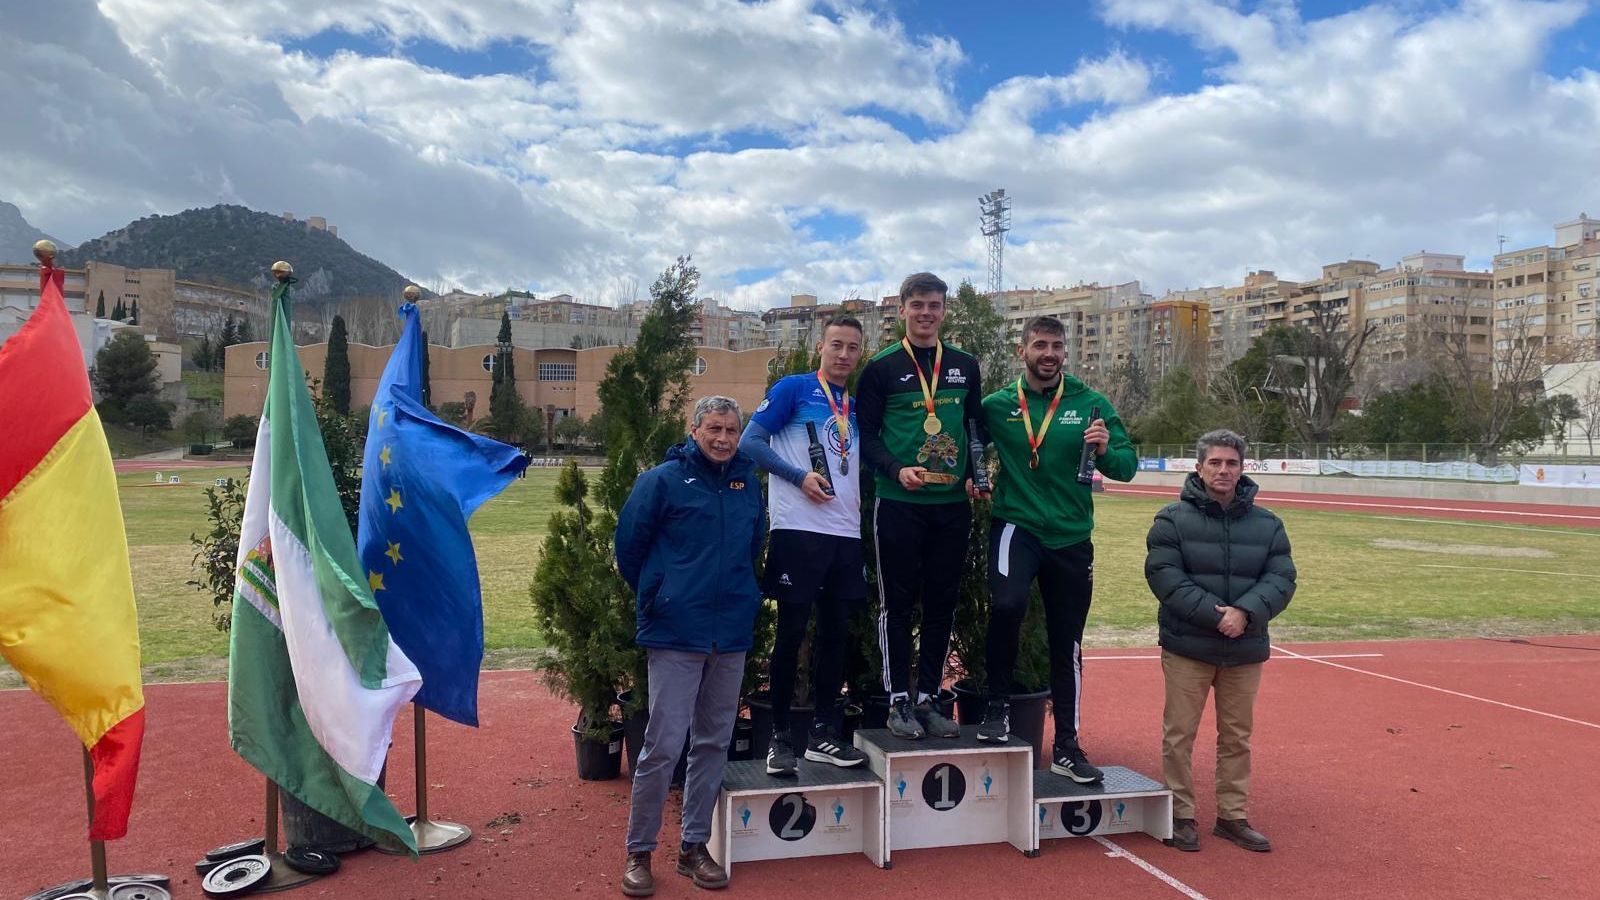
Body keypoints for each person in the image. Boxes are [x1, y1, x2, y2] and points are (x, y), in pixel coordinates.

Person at [969, 316, 1136, 783]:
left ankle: (1066, 744)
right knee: (1007, 604)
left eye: (1056, 346)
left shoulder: (1091, 404)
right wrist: (969, 471)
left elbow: (1128, 466)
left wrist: (1105, 450)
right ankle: (996, 709)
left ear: (1065, 353)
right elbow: (970, 440)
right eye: (1039, 344)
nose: (1049, 353)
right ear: (1022, 351)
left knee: (1068, 642)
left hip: (1071, 537)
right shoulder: (999, 404)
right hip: (1015, 527)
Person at [614, 396, 766, 896]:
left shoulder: (748, 482)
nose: (723, 439)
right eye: (714, 429)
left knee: (713, 742)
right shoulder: (661, 480)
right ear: (694, 429)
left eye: (731, 430)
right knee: (662, 745)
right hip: (677, 631)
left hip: (731, 632)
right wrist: (663, 594)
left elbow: (753, 546)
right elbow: (629, 549)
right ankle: (639, 852)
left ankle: (693, 846)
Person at [1144, 429, 1296, 853]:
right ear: (1198, 468)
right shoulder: (1171, 519)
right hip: (1189, 646)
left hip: (1244, 647)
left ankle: (1232, 816)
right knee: (1179, 735)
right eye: (1215, 462)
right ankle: (1180, 814)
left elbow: (1282, 578)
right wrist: (1220, 616)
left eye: (1231, 463)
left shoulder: (1268, 525)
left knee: (1237, 737)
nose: (1224, 470)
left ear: (1243, 469)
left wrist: (1245, 612)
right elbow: (1166, 578)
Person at [740, 315, 870, 774]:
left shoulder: (858, 402)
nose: (844, 354)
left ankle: (822, 734)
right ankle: (779, 738)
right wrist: (798, 477)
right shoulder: (793, 389)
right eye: (836, 345)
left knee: (836, 635)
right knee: (792, 633)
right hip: (798, 529)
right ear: (820, 346)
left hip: (845, 533)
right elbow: (750, 442)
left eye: (853, 347)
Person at [856, 272, 984, 739]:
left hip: (951, 504)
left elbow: (974, 428)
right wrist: (894, 469)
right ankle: (897, 701)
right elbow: (865, 437)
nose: (926, 313)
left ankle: (929, 697)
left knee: (942, 601)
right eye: (918, 305)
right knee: (898, 603)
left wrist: (975, 472)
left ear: (944, 310)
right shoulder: (881, 367)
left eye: (934, 305)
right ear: (902, 311)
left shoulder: (966, 365)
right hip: (898, 503)